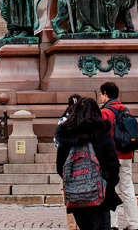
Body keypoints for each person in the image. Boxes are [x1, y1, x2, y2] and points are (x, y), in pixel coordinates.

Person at [55, 96, 121, 230]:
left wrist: (75, 183)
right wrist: (108, 183)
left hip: (76, 196)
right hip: (100, 194)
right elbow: (113, 163)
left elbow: (60, 166)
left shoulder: (66, 135)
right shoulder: (102, 134)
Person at [97, 82, 138, 230]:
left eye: (101, 94)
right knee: (128, 189)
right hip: (127, 154)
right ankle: (133, 224)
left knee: (109, 189)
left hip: (111, 156)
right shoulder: (126, 109)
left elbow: (102, 136)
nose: (101, 97)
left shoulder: (105, 112)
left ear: (106, 93)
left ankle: (113, 224)